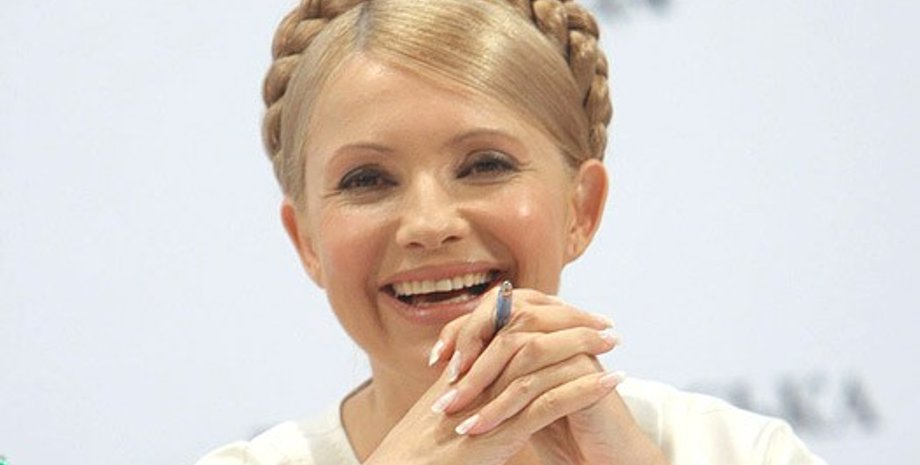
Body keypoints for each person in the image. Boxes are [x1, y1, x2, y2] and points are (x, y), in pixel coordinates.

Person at [197, 0, 826, 463]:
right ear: (306, 240)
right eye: (367, 179)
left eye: (485, 166)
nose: (429, 225)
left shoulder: (738, 451)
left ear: (581, 209)